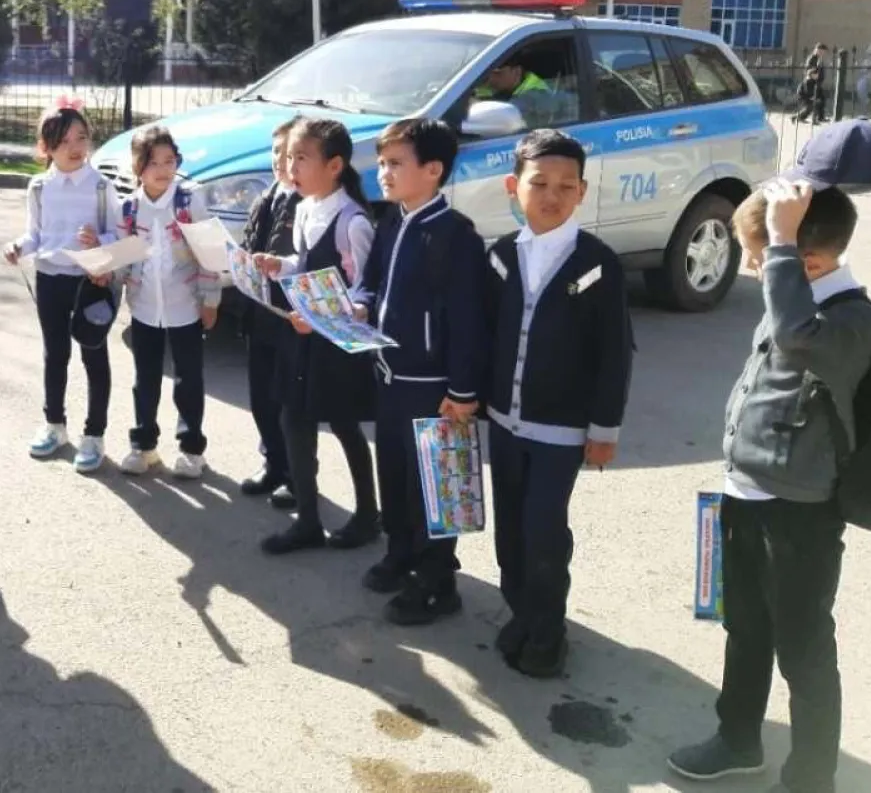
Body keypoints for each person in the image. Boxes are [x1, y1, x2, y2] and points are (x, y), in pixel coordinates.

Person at [669, 182, 871, 793]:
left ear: (806, 261)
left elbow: (794, 341)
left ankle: (811, 778)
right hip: (746, 493)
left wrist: (781, 241)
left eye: (761, 259)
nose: (757, 270)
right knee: (746, 627)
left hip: (798, 515)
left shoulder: (848, 320)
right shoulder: (797, 297)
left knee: (805, 649)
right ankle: (737, 738)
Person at [483, 129, 633, 678]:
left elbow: (614, 352)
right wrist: (468, 398)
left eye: (567, 186)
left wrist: (604, 427)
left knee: (544, 532)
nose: (552, 195)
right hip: (504, 423)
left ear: (582, 192)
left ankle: (548, 634)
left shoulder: (596, 264)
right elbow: (485, 333)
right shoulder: (501, 256)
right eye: (539, 182)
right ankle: (521, 614)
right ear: (513, 186)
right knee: (510, 532)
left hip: (561, 433)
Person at [351, 119, 488, 626]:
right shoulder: (391, 220)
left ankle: (438, 582)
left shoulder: (457, 237)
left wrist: (463, 390)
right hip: (389, 377)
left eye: (396, 164)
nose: (383, 172)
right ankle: (401, 553)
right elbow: (370, 283)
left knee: (439, 487)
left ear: (432, 171)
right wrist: (361, 307)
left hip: (435, 388)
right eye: (383, 163)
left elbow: (469, 322)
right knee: (397, 476)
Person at [254, 118, 379, 554]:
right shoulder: (304, 208)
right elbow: (304, 261)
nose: (291, 166)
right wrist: (280, 263)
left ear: (335, 165)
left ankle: (367, 515)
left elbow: (364, 288)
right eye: (289, 156)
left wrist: (333, 315)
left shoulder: (353, 221)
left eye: (301, 157)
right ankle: (307, 519)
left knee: (345, 424)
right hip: (301, 334)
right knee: (294, 419)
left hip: (335, 343)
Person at [3, 104, 124, 472]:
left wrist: (98, 239)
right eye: (64, 140)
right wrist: (18, 247)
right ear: (46, 147)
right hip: (49, 278)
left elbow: (118, 234)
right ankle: (54, 425)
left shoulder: (102, 187)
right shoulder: (39, 187)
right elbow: (35, 234)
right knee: (55, 354)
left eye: (82, 137)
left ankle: (94, 434)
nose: (75, 147)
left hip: (89, 281)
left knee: (94, 354)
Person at [115, 126, 220, 479]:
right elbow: (122, 256)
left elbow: (209, 253)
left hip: (186, 307)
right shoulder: (129, 207)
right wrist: (104, 270)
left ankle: (192, 450)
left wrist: (211, 299)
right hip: (144, 309)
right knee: (145, 379)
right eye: (153, 162)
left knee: (188, 380)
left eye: (169, 160)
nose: (163, 169)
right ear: (137, 167)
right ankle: (144, 446)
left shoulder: (189, 201)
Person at [238, 118, 302, 505]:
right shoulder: (266, 197)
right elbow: (249, 243)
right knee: (260, 395)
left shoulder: (307, 202)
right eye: (276, 151)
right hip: (259, 313)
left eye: (291, 154)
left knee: (286, 401)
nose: (281, 160)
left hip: (288, 318)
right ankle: (272, 463)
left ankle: (296, 475)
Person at [796, 43, 829, 124]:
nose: (823, 54)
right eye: (822, 51)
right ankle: (802, 117)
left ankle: (820, 117)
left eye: (824, 52)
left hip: (816, 83)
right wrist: (813, 75)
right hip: (810, 84)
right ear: (817, 50)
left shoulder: (818, 58)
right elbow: (808, 71)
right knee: (814, 102)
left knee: (822, 99)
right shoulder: (812, 58)